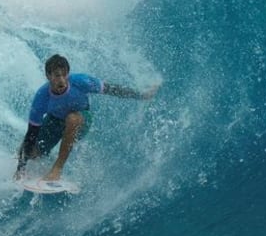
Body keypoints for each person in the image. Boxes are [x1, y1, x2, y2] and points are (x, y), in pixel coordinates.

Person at [14, 54, 160, 181]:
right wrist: (20, 169)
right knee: (29, 151)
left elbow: (112, 89)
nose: (62, 80)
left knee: (72, 118)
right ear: (48, 76)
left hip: (81, 119)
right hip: (54, 121)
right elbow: (31, 133)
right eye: (57, 75)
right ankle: (27, 161)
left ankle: (57, 169)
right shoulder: (41, 97)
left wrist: (141, 95)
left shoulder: (81, 81)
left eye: (65, 75)